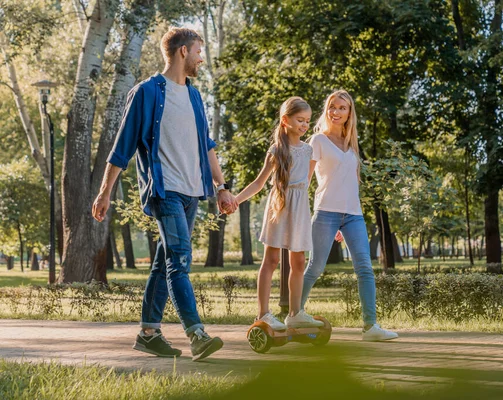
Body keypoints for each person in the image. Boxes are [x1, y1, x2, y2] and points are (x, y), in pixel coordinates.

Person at [92, 27, 237, 361]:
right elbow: (122, 147)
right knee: (180, 261)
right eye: (199, 51)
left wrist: (221, 187)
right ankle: (196, 334)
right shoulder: (147, 92)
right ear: (183, 51)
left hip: (191, 192)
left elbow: (207, 145)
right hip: (164, 189)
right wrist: (104, 193)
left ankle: (148, 333)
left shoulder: (195, 96)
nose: (202, 58)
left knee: (163, 263)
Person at [301, 90, 398, 341]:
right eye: (332, 107)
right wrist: (301, 212)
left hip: (353, 215)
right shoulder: (318, 141)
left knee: (365, 268)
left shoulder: (352, 143)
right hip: (325, 213)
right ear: (327, 110)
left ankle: (370, 327)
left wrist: (348, 220)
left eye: (342, 108)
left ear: (349, 113)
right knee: (315, 268)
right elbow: (306, 180)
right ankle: (294, 314)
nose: (336, 111)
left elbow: (352, 182)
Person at [235, 97, 323, 331]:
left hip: (300, 207)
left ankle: (295, 313)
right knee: (271, 260)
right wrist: (235, 200)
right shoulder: (276, 150)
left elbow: (308, 180)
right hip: (279, 207)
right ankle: (263, 313)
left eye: (307, 121)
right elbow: (258, 183)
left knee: (299, 261)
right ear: (286, 120)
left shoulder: (308, 149)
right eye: (300, 120)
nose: (305, 125)